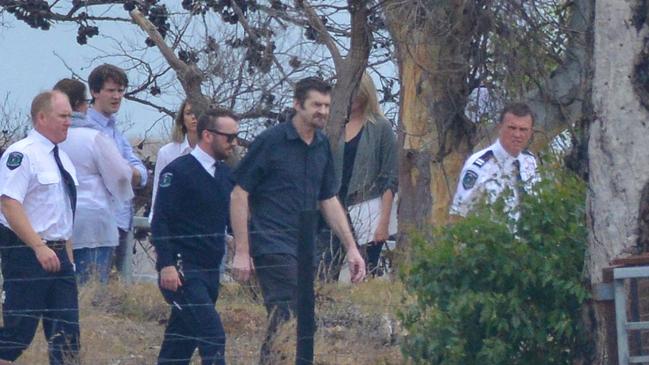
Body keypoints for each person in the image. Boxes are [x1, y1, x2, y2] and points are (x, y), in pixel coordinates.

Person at [230, 76, 366, 364]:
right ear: (297, 105)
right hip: (271, 241)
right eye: (316, 104)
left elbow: (328, 199)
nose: (323, 111)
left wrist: (352, 248)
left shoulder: (321, 145)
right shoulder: (270, 141)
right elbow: (239, 193)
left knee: (299, 319)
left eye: (327, 105)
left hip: (306, 248)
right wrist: (243, 251)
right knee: (289, 313)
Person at [151, 109, 239, 365]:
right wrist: (166, 264)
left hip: (211, 271)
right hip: (182, 271)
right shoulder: (178, 171)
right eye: (229, 137)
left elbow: (231, 219)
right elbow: (160, 220)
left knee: (179, 345)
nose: (234, 143)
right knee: (213, 335)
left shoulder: (225, 175)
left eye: (236, 137)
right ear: (208, 135)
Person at [0, 91, 80, 364]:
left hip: (59, 255)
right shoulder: (22, 154)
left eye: (70, 116)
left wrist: (68, 256)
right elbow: (9, 203)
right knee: (16, 334)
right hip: (27, 253)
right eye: (63, 116)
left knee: (66, 337)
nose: (69, 122)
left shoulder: (63, 159)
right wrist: (38, 246)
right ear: (42, 117)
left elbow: (62, 214)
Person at [55, 78, 134, 284]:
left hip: (52, 223)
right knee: (90, 289)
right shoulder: (93, 137)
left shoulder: (42, 138)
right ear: (82, 104)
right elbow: (122, 175)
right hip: (92, 222)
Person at [321, 72, 398, 279]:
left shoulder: (380, 127)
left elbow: (389, 178)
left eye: (356, 91)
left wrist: (383, 223)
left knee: (365, 272)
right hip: (333, 206)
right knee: (326, 269)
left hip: (366, 207)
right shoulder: (332, 127)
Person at [85, 64, 148, 278]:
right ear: (94, 92)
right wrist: (125, 171)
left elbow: (140, 173)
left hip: (120, 220)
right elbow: (115, 173)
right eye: (111, 91)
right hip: (97, 224)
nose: (117, 96)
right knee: (94, 290)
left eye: (120, 91)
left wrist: (127, 171)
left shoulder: (114, 130)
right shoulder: (87, 129)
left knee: (116, 293)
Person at [450, 102, 539, 219]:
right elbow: (459, 214)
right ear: (500, 128)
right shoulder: (479, 165)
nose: (517, 134)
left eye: (523, 129)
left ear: (530, 132)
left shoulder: (530, 161)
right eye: (512, 128)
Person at [150, 99, 198, 223]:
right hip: (174, 223)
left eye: (198, 112)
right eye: (188, 113)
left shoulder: (216, 152)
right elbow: (158, 192)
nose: (194, 117)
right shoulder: (167, 152)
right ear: (182, 119)